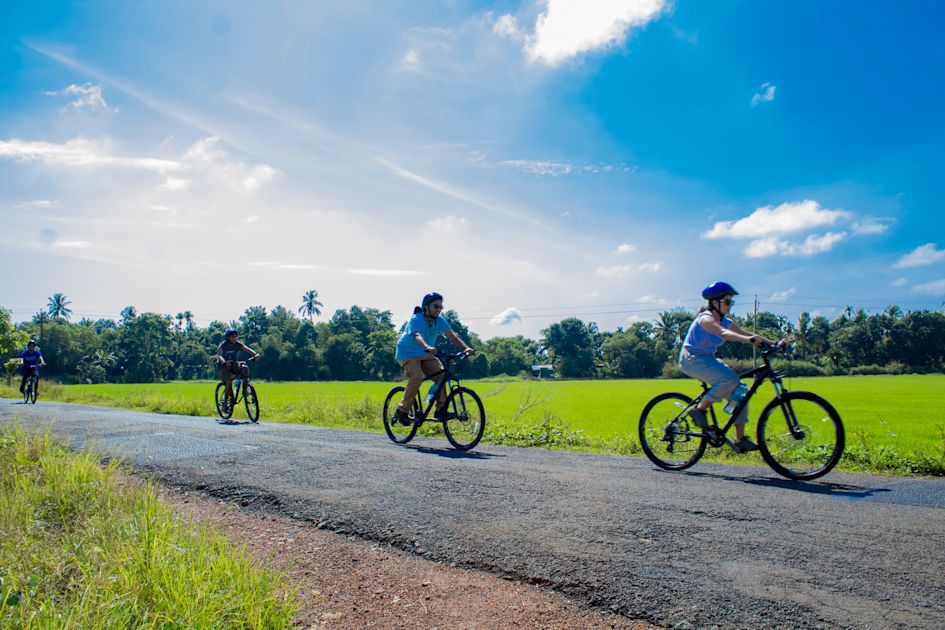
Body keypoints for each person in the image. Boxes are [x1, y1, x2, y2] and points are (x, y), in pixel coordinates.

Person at [678, 282, 784, 452]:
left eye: (731, 302)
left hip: (707, 358)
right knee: (729, 379)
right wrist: (748, 341)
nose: (730, 306)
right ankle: (698, 410)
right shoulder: (705, 319)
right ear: (715, 303)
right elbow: (723, 334)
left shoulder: (726, 321)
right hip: (691, 358)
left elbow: (749, 334)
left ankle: (740, 438)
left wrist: (775, 344)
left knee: (740, 392)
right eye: (727, 302)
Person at [394, 292, 474, 424]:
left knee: (442, 376)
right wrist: (427, 346)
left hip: (426, 354)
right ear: (426, 307)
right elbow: (417, 335)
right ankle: (402, 410)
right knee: (417, 377)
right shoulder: (416, 319)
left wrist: (466, 348)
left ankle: (440, 410)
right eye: (436, 306)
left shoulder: (440, 321)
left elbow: (452, 336)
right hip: (407, 353)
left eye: (441, 307)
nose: (439, 310)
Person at [215, 328, 261, 399]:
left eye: (235, 336)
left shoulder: (237, 344)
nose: (234, 338)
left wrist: (255, 354)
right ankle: (225, 404)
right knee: (229, 383)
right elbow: (219, 356)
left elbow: (247, 349)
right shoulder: (223, 346)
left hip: (233, 364)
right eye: (232, 337)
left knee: (245, 368)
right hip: (223, 367)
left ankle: (245, 390)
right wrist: (224, 362)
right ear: (228, 337)